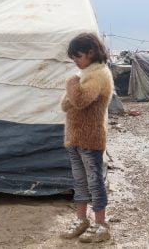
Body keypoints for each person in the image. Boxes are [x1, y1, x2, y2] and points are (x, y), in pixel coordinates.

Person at [59, 33, 114, 243]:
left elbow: (80, 100)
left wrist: (72, 81)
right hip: (74, 138)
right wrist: (75, 86)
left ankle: (101, 225)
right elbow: (65, 105)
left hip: (91, 139)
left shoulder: (99, 74)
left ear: (91, 52)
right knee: (80, 182)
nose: (75, 61)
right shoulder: (85, 75)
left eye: (77, 56)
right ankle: (81, 220)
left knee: (94, 182)